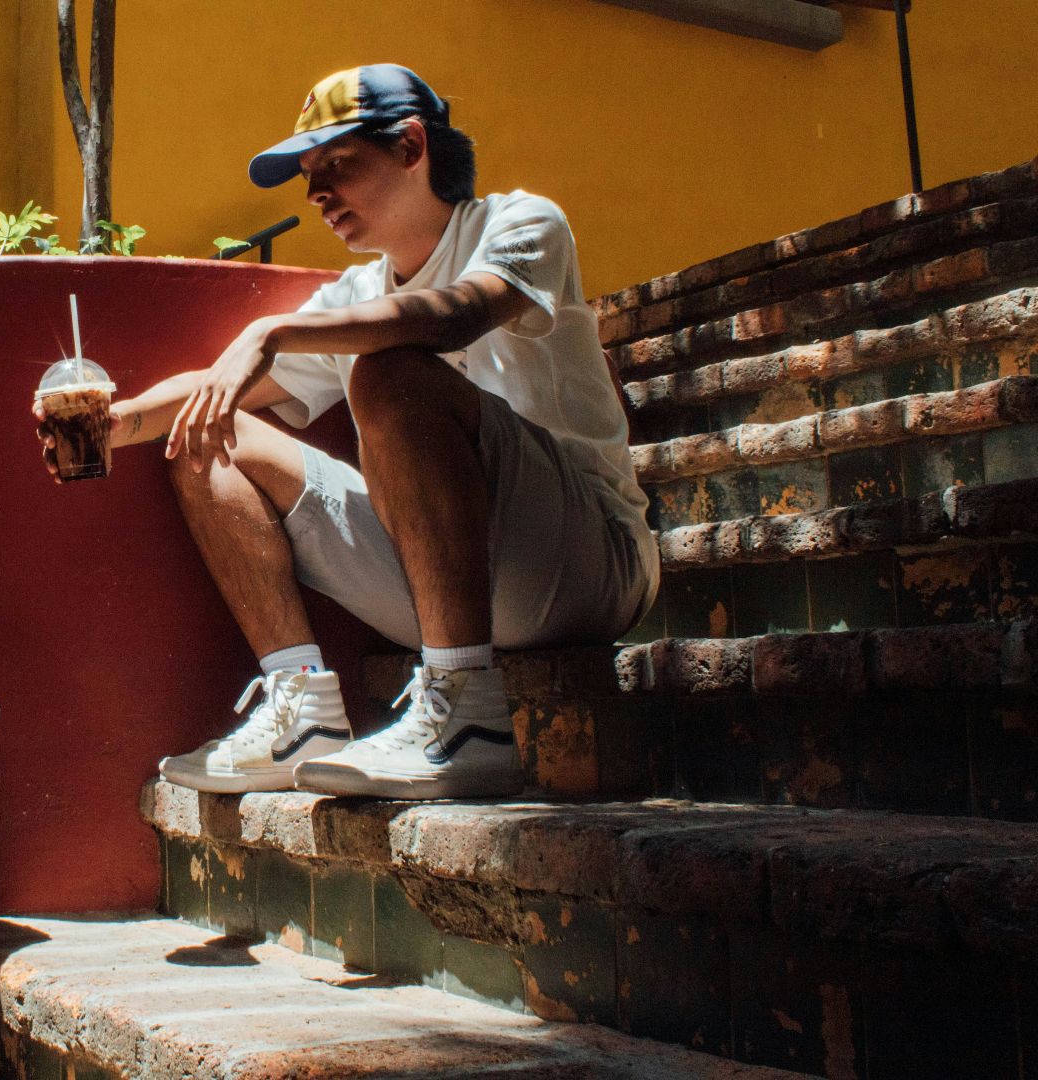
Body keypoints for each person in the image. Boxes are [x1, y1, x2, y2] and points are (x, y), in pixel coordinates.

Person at [40, 64, 655, 801]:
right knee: (208, 433)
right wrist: (117, 423)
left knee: (390, 373)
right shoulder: (359, 293)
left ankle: (466, 720)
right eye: (307, 175)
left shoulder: (519, 223)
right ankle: (299, 710)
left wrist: (276, 328)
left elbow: (455, 315)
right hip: (446, 583)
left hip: (585, 566)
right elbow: (214, 391)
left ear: (411, 146)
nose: (315, 193)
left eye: (336, 164)